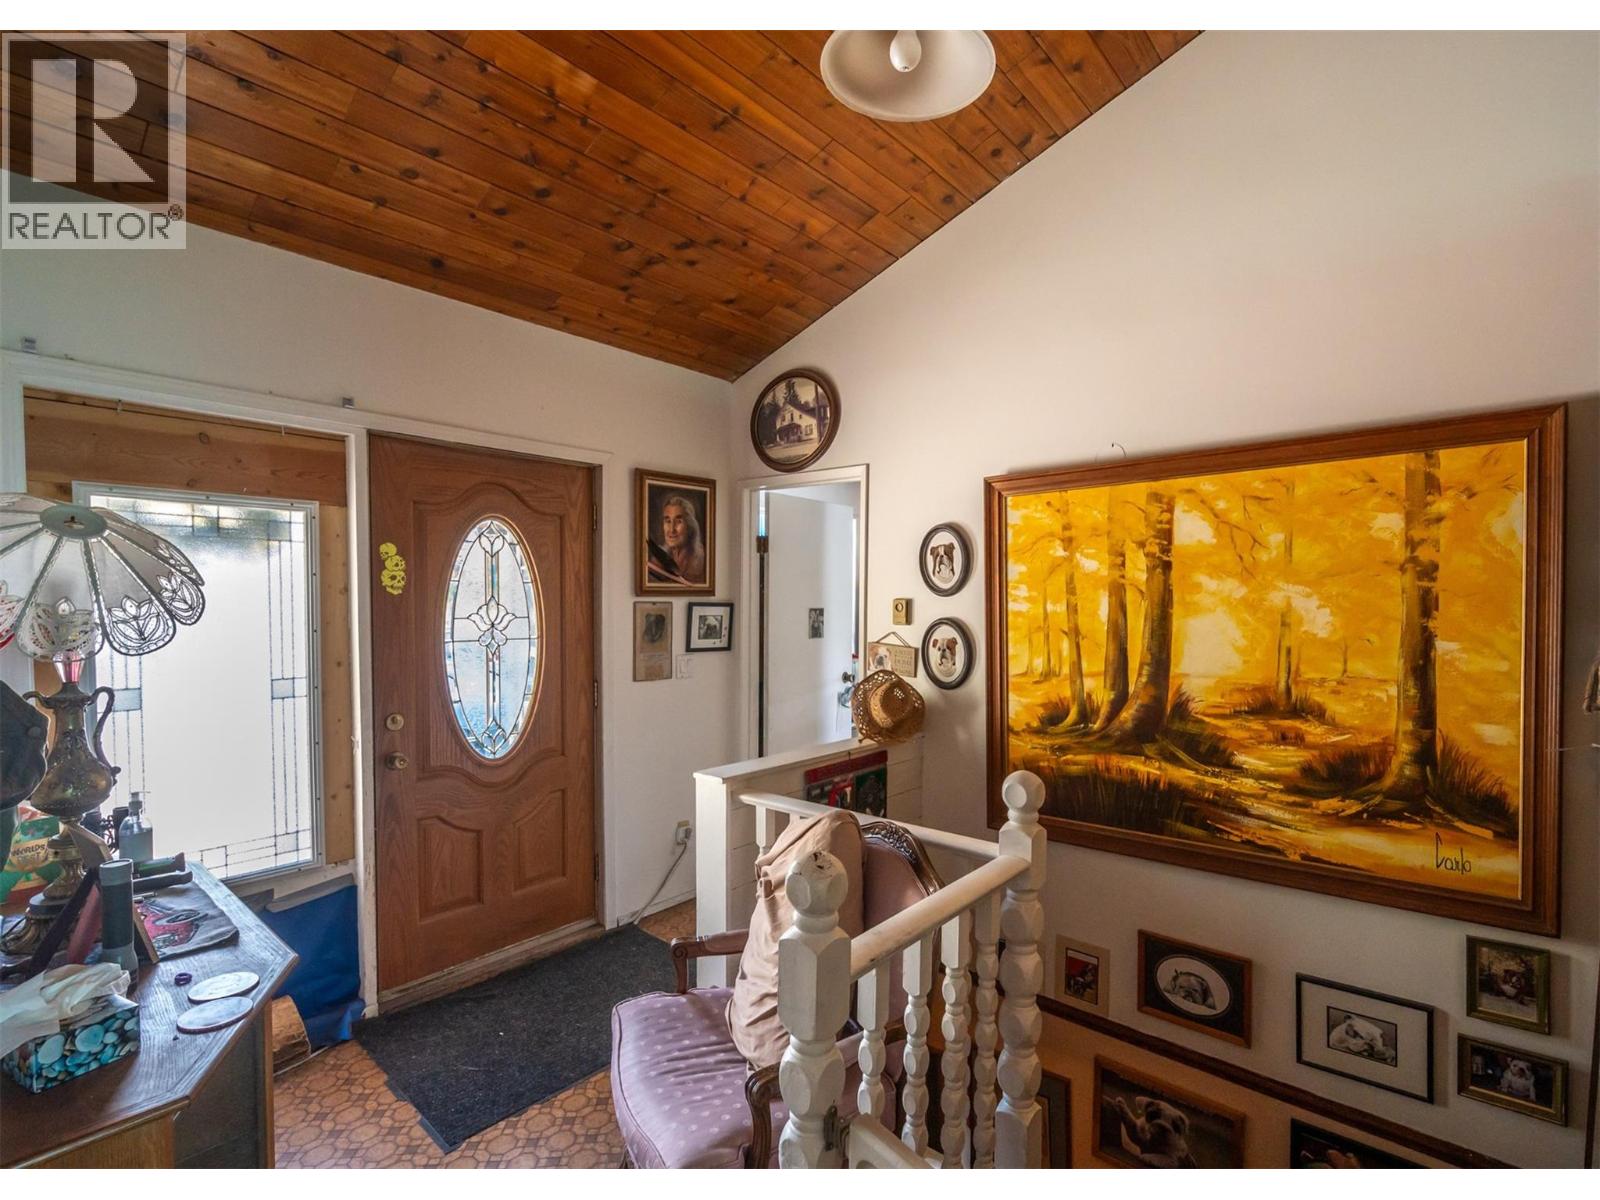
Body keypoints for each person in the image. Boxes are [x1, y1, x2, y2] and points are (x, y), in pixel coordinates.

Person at [648, 493, 706, 585]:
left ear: (690, 526)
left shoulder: (701, 560)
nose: (671, 529)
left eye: (679, 521)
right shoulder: (657, 562)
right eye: (668, 521)